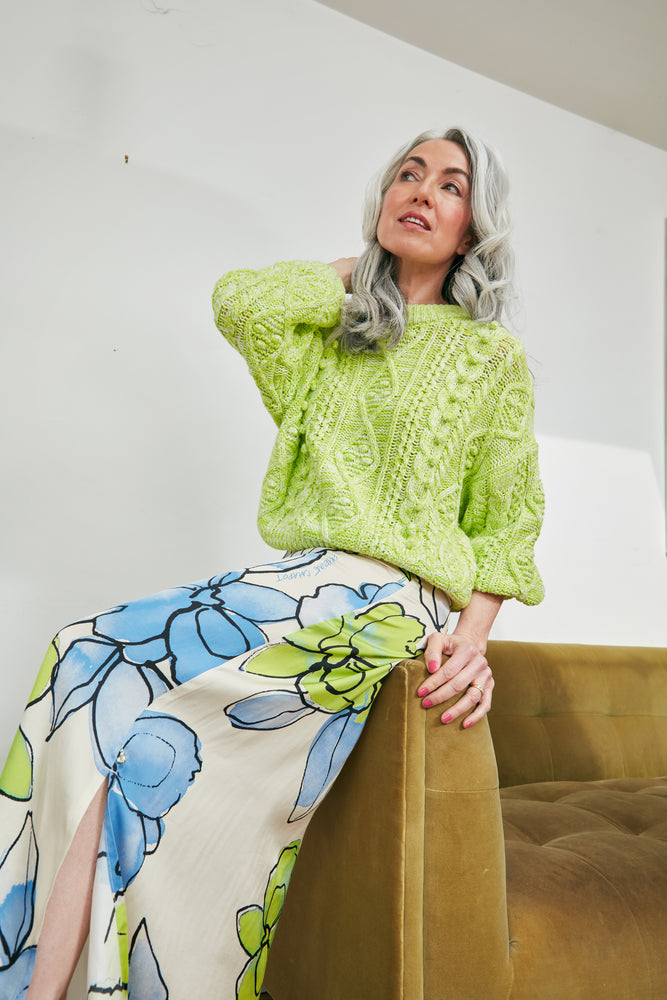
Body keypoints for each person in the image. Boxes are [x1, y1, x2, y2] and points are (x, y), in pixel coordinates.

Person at [0, 127, 544, 1000]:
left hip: (388, 604)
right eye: (407, 175)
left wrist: (470, 642)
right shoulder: (336, 338)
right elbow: (243, 303)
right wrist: (354, 270)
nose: (420, 191)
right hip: (295, 580)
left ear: (472, 229)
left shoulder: (489, 358)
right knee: (82, 659)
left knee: (149, 738)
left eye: (449, 185)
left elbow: (505, 525)